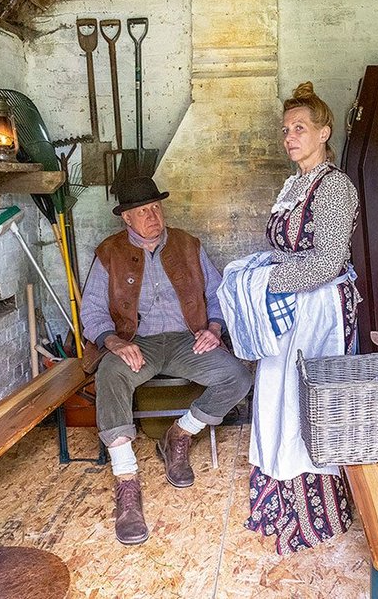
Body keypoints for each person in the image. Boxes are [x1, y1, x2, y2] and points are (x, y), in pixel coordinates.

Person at [219, 82, 360, 554]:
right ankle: (280, 499)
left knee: (304, 402)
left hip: (319, 312)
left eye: (300, 128)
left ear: (324, 133)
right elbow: (288, 250)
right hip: (292, 308)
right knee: (277, 395)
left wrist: (266, 282)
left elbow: (328, 262)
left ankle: (314, 510)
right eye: (285, 129)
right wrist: (261, 271)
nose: (289, 136)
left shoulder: (335, 186)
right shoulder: (296, 185)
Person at [80, 176, 253, 546]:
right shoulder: (108, 252)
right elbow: (92, 310)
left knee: (237, 376)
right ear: (126, 218)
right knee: (110, 373)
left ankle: (179, 434)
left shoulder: (188, 245)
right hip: (135, 343)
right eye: (141, 211)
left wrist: (214, 328)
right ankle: (127, 484)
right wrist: (111, 341)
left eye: (156, 207)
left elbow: (217, 293)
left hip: (185, 339)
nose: (152, 215)